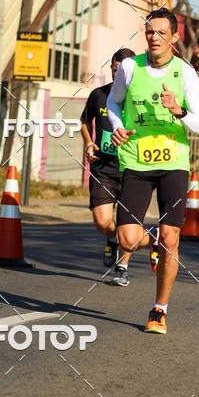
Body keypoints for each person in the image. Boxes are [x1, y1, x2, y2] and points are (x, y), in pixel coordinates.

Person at [107, 8, 199, 334]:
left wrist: (178, 110)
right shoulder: (129, 67)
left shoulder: (185, 73)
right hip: (136, 161)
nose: (155, 37)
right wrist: (117, 125)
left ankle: (159, 310)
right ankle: (153, 238)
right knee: (126, 239)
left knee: (171, 239)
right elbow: (113, 102)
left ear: (174, 37)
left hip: (173, 163)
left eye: (162, 33)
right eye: (150, 32)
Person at [81, 48, 136, 283]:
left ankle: (122, 268)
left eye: (123, 71)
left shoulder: (139, 98)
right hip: (103, 168)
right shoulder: (99, 95)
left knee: (127, 224)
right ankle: (112, 239)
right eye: (115, 70)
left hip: (132, 169)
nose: (118, 75)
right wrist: (89, 143)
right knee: (102, 222)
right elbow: (85, 121)